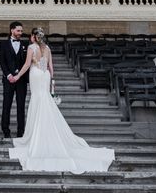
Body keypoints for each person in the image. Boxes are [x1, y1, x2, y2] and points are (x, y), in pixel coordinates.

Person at [8, 27, 115, 173]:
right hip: (45, 76)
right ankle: (47, 131)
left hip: (36, 75)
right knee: (45, 100)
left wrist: (18, 76)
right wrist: (52, 80)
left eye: (31, 36)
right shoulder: (48, 48)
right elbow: (51, 67)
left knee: (37, 100)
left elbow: (27, 65)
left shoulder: (31, 48)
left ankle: (36, 135)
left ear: (33, 37)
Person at [0, 21, 28, 138]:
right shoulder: (4, 44)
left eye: (21, 31)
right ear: (12, 30)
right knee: (7, 105)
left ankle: (20, 131)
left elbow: (27, 62)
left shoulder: (26, 44)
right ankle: (5, 130)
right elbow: (2, 62)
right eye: (18, 30)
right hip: (8, 80)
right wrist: (8, 75)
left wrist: (19, 75)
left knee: (21, 106)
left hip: (21, 80)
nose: (20, 33)